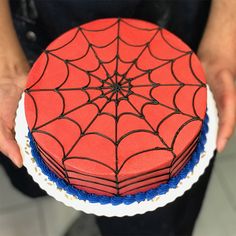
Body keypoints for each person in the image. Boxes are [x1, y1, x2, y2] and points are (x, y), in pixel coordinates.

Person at [0, 0, 235, 235]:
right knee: (39, 174)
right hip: (38, 28)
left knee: (148, 228)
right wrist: (5, 66)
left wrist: (223, 41)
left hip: (173, 42)